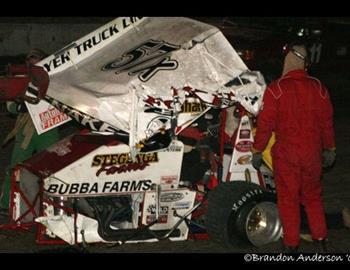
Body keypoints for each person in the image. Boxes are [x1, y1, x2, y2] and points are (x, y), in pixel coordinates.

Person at [251, 43, 336, 252]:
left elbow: (265, 125)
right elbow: (327, 123)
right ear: (305, 63)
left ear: (288, 60)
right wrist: (330, 148)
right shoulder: (319, 88)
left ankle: (291, 245)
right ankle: (320, 240)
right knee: (313, 197)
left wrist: (257, 150)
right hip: (312, 154)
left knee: (288, 200)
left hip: (287, 154)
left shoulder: (276, 89)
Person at [0, 49, 60, 209]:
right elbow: (11, 106)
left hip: (48, 129)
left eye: (37, 61)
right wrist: (22, 105)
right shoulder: (20, 79)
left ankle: (55, 205)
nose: (33, 64)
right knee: (16, 167)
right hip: (26, 129)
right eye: (30, 61)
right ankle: (7, 204)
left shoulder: (54, 79)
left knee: (54, 167)